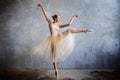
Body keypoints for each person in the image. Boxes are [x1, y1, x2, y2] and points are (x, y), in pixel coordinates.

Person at [32, 3, 92, 80]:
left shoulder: (58, 26)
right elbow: (45, 15)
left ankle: (84, 31)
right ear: (55, 18)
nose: (59, 19)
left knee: (70, 30)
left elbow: (69, 24)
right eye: (58, 18)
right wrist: (42, 7)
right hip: (52, 39)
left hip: (58, 37)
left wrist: (73, 17)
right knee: (54, 56)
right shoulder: (50, 22)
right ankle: (56, 70)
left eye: (59, 18)